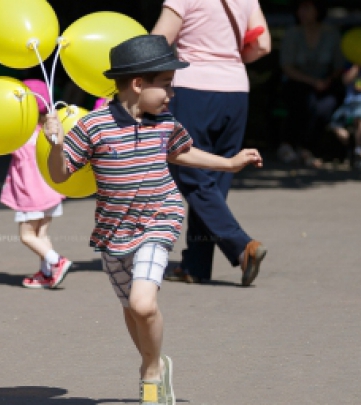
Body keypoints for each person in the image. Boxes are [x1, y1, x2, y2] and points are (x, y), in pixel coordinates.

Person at [45, 35, 263, 405]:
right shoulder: (94, 125)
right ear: (137, 84)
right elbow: (61, 175)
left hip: (158, 220)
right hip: (113, 231)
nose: (170, 94)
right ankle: (156, 363)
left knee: (144, 304)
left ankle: (150, 372)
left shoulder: (164, 123)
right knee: (133, 310)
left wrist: (229, 162)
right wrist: (55, 145)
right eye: (165, 85)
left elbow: (185, 153)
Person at [152, 0, 270, 284]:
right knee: (216, 179)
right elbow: (263, 44)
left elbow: (158, 41)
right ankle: (195, 265)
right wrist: (227, 60)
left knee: (192, 173)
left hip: (193, 87)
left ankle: (242, 246)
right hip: (236, 90)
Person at [0, 79, 72, 289]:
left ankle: (57, 260)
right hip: (51, 192)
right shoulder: (48, 134)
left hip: (31, 195)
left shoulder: (20, 137)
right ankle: (47, 273)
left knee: (27, 235)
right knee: (42, 234)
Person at [277, 0, 345, 166]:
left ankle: (308, 148)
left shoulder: (331, 34)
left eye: (307, 8)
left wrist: (327, 80)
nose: (303, 12)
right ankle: (287, 144)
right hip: (297, 81)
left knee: (323, 108)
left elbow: (339, 65)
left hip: (325, 83)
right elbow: (286, 66)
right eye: (300, 8)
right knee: (301, 102)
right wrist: (313, 81)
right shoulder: (293, 33)